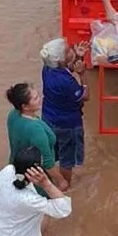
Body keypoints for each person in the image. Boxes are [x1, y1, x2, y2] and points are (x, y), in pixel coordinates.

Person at [40, 38, 90, 189]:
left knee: (50, 153)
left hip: (48, 118)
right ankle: (65, 187)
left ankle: (47, 181)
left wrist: (79, 58)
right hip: (67, 124)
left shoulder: (47, 69)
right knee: (67, 159)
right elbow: (86, 96)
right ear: (61, 59)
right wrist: (83, 75)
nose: (72, 51)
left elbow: (68, 69)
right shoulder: (67, 82)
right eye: (68, 51)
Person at [6, 83, 68, 193]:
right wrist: (61, 181)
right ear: (25, 106)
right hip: (36, 179)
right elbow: (47, 163)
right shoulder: (36, 130)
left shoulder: (13, 114)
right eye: (35, 98)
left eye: (38, 95)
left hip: (15, 169)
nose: (40, 99)